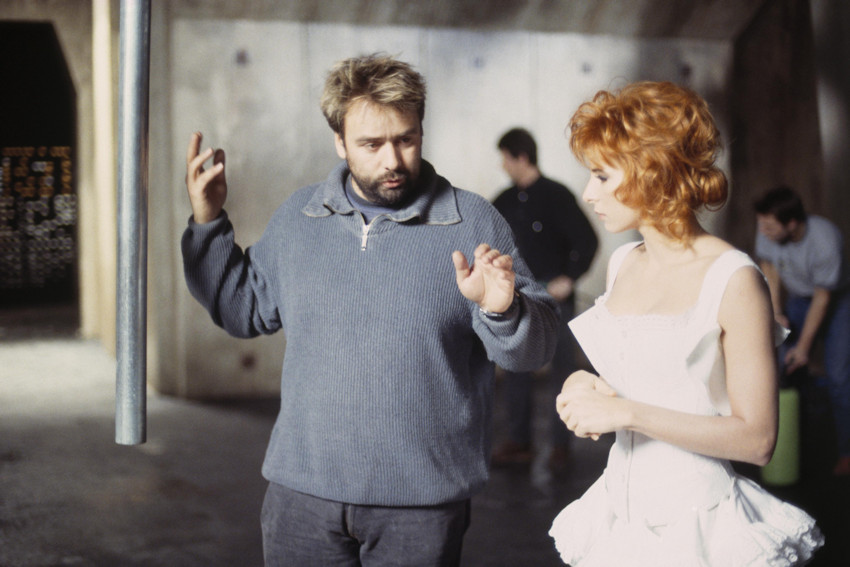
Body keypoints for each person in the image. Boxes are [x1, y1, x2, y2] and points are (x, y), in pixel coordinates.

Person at [181, 53, 559, 566]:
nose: (393, 161)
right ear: (339, 141)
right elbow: (241, 308)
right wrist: (208, 224)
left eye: (406, 139)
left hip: (422, 506)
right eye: (371, 144)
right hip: (301, 496)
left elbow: (533, 352)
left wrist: (503, 309)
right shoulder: (299, 217)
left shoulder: (473, 223)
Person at [548, 81, 824, 565]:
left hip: (697, 524)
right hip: (620, 511)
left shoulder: (734, 279)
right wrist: (585, 384)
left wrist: (627, 413)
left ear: (652, 174)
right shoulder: (623, 262)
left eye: (602, 176)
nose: (589, 193)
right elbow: (644, 380)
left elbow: (758, 440)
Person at [491, 127, 597, 468]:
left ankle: (560, 447)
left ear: (520, 157)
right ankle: (519, 442)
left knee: (563, 373)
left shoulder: (557, 196)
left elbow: (587, 241)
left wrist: (569, 277)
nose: (503, 166)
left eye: (505, 159)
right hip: (517, 300)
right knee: (516, 369)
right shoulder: (503, 201)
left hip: (556, 299)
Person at [754, 186, 850, 477]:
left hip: (836, 301)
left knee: (838, 377)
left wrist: (805, 347)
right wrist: (776, 312)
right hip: (796, 299)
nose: (763, 231)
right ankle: (797, 442)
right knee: (785, 368)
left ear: (792, 223)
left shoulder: (825, 240)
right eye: (761, 224)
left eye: (769, 226)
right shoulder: (767, 230)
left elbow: (822, 299)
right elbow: (769, 271)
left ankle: (847, 452)